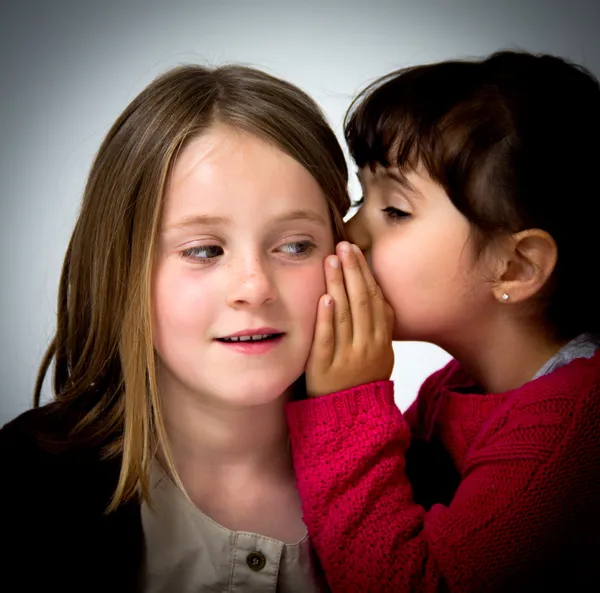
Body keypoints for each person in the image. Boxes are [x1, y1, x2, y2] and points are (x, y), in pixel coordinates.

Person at [0, 64, 350, 592]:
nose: (254, 288)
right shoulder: (23, 485)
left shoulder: (420, 483)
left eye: (295, 245)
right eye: (204, 250)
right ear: (123, 269)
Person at [285, 50, 600, 592]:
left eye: (396, 211)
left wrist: (347, 405)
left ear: (516, 266)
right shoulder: (453, 388)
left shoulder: (573, 425)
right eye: (363, 198)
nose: (351, 233)